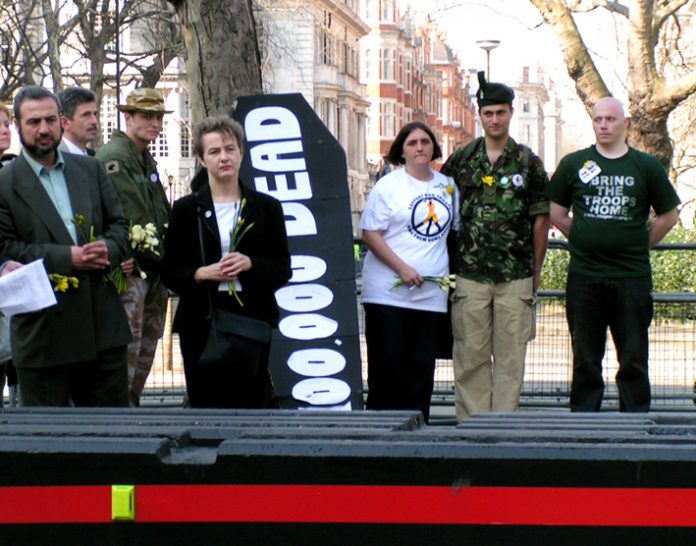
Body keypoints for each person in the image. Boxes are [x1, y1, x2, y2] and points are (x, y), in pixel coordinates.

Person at [0, 86, 131, 407]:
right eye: (33, 122)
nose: (43, 129)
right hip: (43, 336)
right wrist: (66, 258)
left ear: (61, 122)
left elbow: (120, 227)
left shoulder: (90, 169)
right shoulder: (5, 183)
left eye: (49, 119)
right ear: (17, 125)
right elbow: (5, 248)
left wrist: (107, 248)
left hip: (103, 333)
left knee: (113, 444)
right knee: (49, 446)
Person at [547, 96, 680, 412]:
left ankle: (635, 426)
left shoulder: (645, 166)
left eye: (610, 119)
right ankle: (584, 426)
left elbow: (668, 215)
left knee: (634, 358)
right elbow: (556, 212)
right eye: (598, 120)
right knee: (585, 359)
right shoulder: (574, 164)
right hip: (584, 277)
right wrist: (582, 237)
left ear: (626, 124)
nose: (603, 125)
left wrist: (638, 244)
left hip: (631, 277)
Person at [441, 72, 550, 421]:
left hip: (514, 274)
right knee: (470, 356)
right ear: (479, 115)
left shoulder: (528, 162)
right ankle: (472, 430)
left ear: (511, 113)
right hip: (470, 275)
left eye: (500, 112)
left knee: (510, 358)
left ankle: (503, 430)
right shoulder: (461, 160)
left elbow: (541, 220)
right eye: (488, 113)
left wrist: (535, 272)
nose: (494, 119)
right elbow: (440, 211)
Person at [161, 115, 291, 408]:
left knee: (252, 403)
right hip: (202, 321)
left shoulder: (266, 208)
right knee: (205, 403)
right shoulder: (186, 209)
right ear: (201, 158)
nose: (224, 157)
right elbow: (169, 271)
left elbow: (283, 269)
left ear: (242, 153)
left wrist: (250, 264)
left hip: (251, 320)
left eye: (230, 149)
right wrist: (200, 274)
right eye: (214, 151)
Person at [360, 121, 458, 423]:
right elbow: (370, 232)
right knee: (388, 369)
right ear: (401, 149)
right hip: (388, 295)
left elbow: (452, 233)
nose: (419, 147)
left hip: (430, 295)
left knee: (421, 371)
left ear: (433, 147)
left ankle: (419, 435)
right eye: (412, 142)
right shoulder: (388, 185)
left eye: (425, 142)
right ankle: (379, 437)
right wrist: (402, 268)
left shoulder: (447, 185)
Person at [96, 88, 171, 407]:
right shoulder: (116, 157)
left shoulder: (144, 158)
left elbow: (161, 213)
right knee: (124, 368)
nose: (154, 123)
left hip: (151, 272)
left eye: (158, 117)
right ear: (128, 117)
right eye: (146, 116)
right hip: (132, 274)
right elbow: (133, 218)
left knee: (141, 363)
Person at [58, 87, 99, 156]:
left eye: (95, 114)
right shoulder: (52, 160)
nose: (94, 121)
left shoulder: (96, 158)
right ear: (65, 123)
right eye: (86, 115)